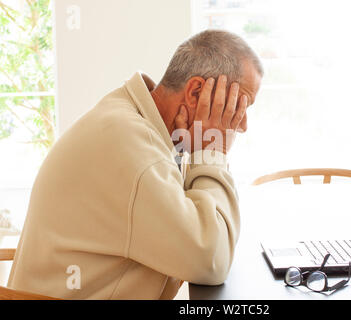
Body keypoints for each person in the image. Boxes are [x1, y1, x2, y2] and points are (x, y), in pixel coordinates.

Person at [8, 30, 263, 299]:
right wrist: (212, 153)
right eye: (240, 105)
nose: (243, 125)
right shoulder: (132, 146)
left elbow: (196, 235)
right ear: (196, 91)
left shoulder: (129, 118)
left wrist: (195, 151)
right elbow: (211, 261)